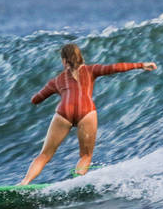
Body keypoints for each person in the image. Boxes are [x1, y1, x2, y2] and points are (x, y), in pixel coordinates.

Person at [20, 42, 156, 185]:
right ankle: (77, 182)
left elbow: (36, 100)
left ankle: (24, 182)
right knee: (86, 155)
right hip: (86, 111)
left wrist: (43, 93)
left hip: (63, 112)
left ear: (64, 61)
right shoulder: (92, 70)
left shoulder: (56, 81)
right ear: (80, 57)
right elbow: (115, 68)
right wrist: (141, 65)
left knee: (45, 155)